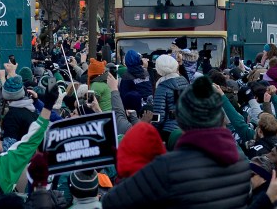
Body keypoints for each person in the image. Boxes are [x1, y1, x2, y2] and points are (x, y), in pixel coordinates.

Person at [102, 76, 251, 208]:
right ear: (219, 117)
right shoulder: (242, 161)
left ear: (182, 120)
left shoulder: (168, 166)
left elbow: (111, 202)